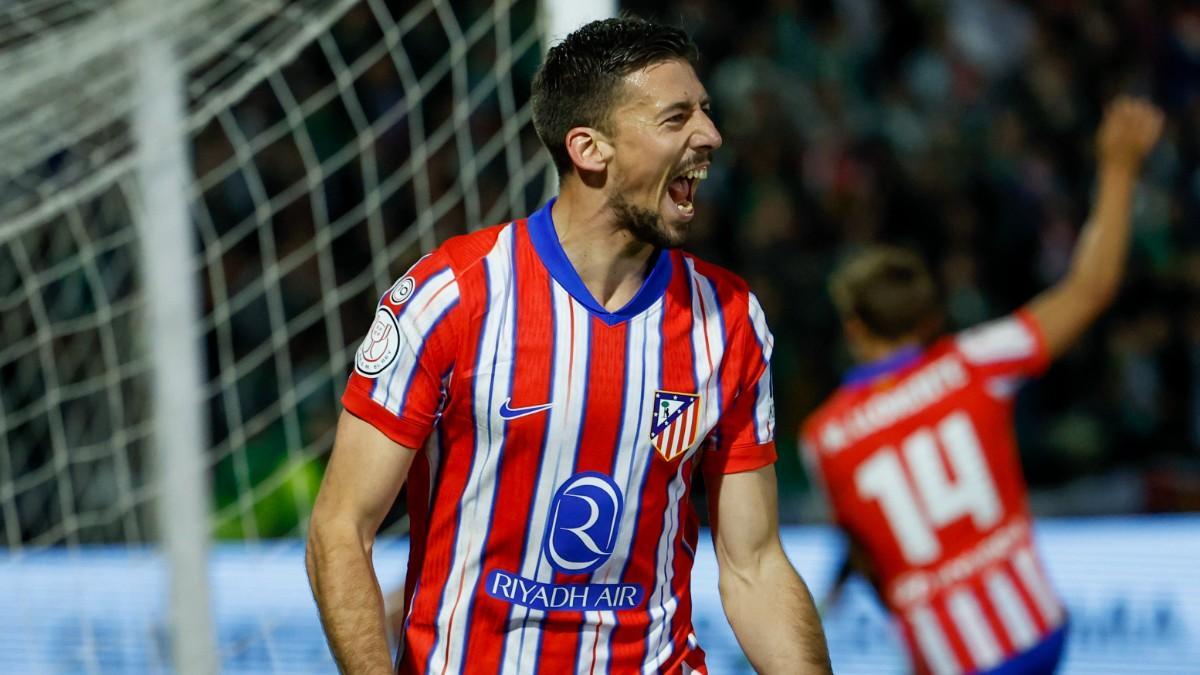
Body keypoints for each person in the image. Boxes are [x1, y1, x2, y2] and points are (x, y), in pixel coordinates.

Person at [306, 16, 832, 675]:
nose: (709, 135)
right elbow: (341, 528)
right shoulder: (452, 297)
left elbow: (754, 564)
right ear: (589, 149)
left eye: (704, 111)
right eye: (676, 118)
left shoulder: (727, 319)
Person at [800, 97, 1162, 675]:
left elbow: (868, 553)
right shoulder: (976, 362)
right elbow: (1090, 287)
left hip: (950, 655)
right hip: (1034, 628)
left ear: (854, 327)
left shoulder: (825, 438)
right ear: (929, 317)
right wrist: (1118, 167)